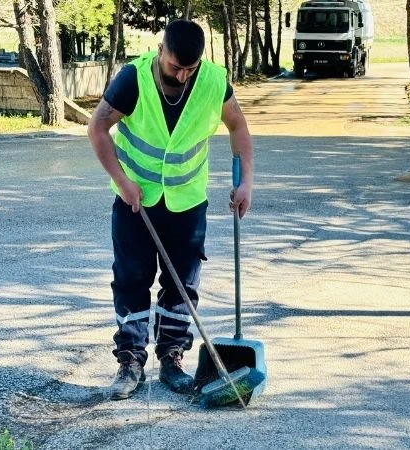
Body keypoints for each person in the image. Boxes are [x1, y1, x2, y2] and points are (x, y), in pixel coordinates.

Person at [87, 19, 254, 400]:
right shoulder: (133, 79)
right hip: (135, 203)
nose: (181, 74)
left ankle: (172, 359)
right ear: (161, 51)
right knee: (131, 280)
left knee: (182, 285)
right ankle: (130, 362)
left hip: (187, 201)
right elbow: (97, 128)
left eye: (189, 68)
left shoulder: (213, 81)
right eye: (175, 66)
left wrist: (245, 182)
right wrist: (122, 181)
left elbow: (239, 128)